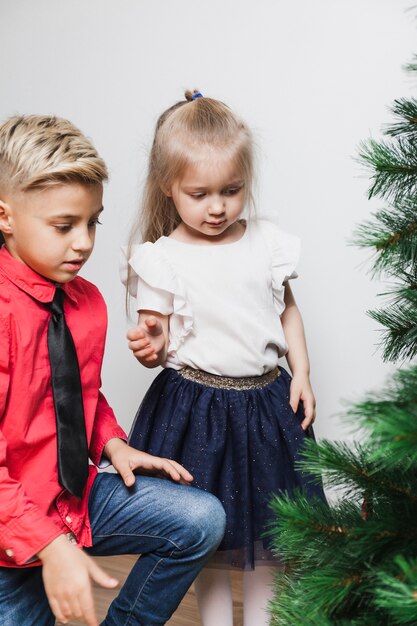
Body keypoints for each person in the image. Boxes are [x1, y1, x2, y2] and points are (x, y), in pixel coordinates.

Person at [0, 114, 226, 626]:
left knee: (200, 518)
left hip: (69, 501)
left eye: (92, 222)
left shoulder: (87, 303)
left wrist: (113, 444)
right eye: (64, 226)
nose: (83, 242)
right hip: (9, 529)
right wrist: (50, 548)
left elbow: (78, 394)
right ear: (6, 217)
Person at [123, 90, 326, 626]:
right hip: (196, 410)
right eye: (200, 193)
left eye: (231, 191)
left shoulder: (265, 243)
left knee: (268, 536)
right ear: (169, 188)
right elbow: (159, 340)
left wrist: (301, 372)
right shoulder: (160, 259)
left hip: (265, 406)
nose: (217, 207)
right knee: (207, 536)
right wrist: (150, 346)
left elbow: (288, 314)